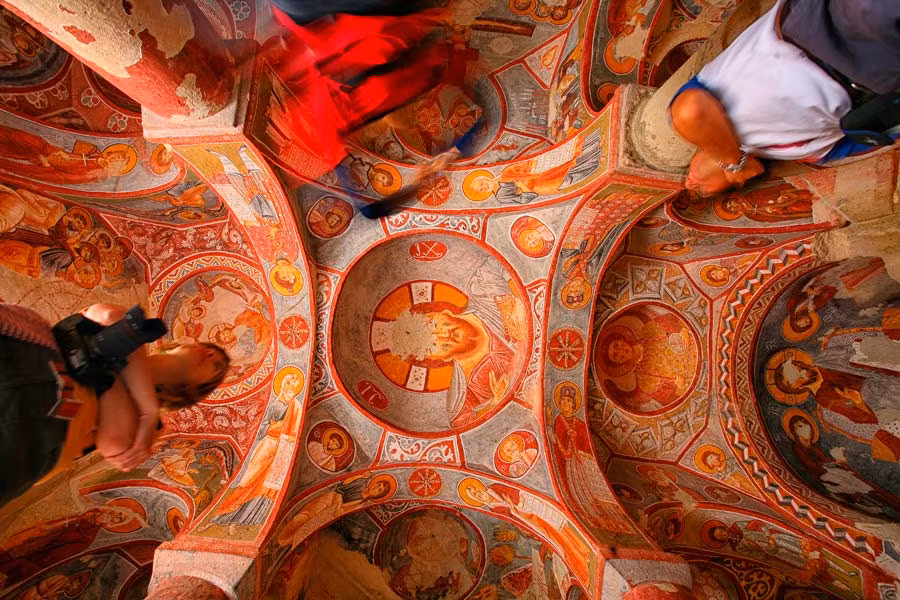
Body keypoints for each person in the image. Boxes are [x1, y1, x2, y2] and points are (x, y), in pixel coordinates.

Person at [0, 303, 230, 506]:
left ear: (194, 391)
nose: (209, 353)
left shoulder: (156, 425)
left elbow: (115, 443)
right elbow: (109, 313)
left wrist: (108, 361)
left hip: (37, 433)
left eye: (216, 366)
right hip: (26, 358)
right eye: (209, 348)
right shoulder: (147, 418)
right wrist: (142, 408)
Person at [669, 0, 900, 196]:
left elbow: (691, 111)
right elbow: (883, 132)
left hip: (816, 27)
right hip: (874, 73)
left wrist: (734, 163)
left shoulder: (706, 99)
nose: (690, 184)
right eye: (700, 192)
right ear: (739, 184)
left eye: (688, 181)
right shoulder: (805, 153)